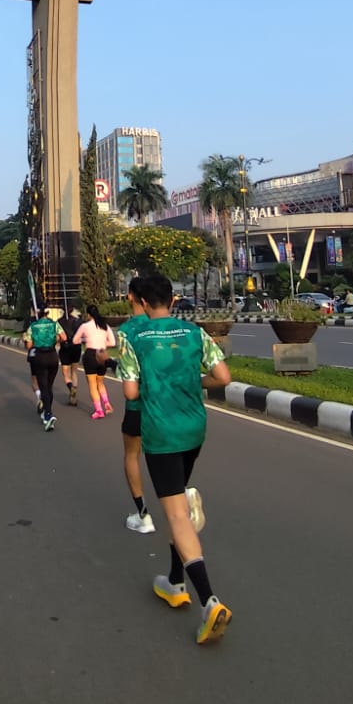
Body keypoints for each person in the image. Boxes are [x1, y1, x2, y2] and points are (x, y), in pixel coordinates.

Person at [113, 272, 233, 645]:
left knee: (177, 513)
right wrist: (192, 382)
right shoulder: (194, 333)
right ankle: (174, 581)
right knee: (176, 503)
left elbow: (131, 392)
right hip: (194, 429)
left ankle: (209, 601)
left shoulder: (133, 337)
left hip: (161, 433)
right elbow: (223, 377)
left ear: (144, 303)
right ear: (172, 299)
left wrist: (151, 387)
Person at [115, 278, 154, 535]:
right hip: (168, 407)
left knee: (132, 456)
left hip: (137, 409)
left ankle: (143, 515)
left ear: (130, 297)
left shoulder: (126, 332)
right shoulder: (165, 326)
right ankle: (181, 500)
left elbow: (129, 385)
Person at [23, 307, 66, 430]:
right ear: (47, 313)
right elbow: (64, 337)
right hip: (53, 356)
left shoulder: (33, 326)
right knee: (49, 386)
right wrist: (54, 339)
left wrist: (30, 339)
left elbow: (29, 345)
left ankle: (48, 414)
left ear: (37, 313)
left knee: (43, 387)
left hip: (40, 357)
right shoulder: (54, 324)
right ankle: (47, 410)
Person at [74, 305, 116, 419]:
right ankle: (106, 403)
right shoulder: (104, 325)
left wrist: (85, 340)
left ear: (88, 315)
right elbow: (112, 342)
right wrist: (102, 343)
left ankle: (99, 410)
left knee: (92, 384)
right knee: (100, 382)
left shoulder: (85, 326)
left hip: (90, 355)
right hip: (102, 354)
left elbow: (75, 340)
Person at [58, 307, 83, 406]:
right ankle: (73, 396)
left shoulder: (59, 321)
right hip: (76, 348)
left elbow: (59, 336)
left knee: (65, 373)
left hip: (65, 348)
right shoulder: (78, 321)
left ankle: (70, 387)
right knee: (74, 371)